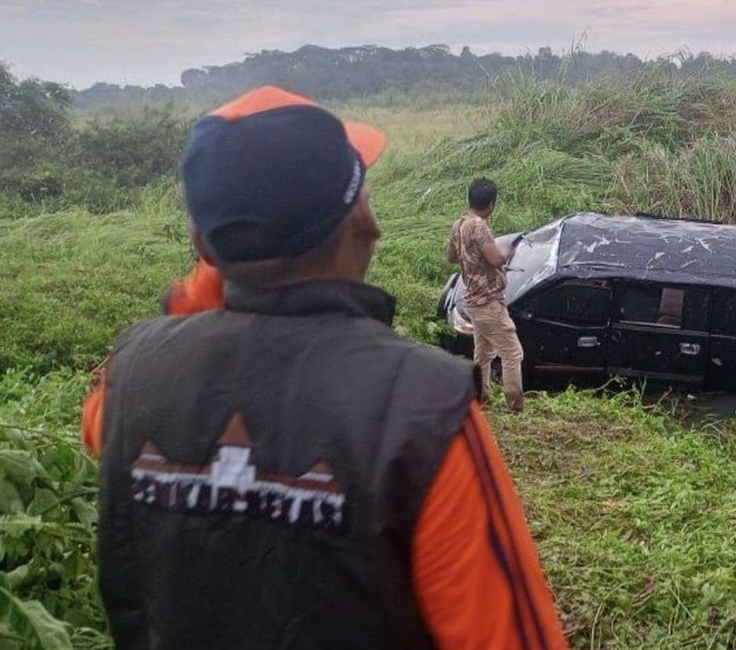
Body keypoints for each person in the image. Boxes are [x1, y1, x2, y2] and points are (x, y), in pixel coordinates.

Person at [79, 86, 567, 650]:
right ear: (362, 221)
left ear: (200, 242)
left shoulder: (130, 375)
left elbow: (100, 426)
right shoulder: (423, 409)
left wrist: (226, 270)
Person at [445, 178, 525, 413]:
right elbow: (496, 259)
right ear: (491, 205)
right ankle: (515, 407)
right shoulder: (479, 227)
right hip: (488, 301)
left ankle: (482, 398)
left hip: (472, 300)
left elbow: (450, 256)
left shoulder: (459, 225)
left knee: (483, 353)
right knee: (512, 353)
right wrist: (508, 250)